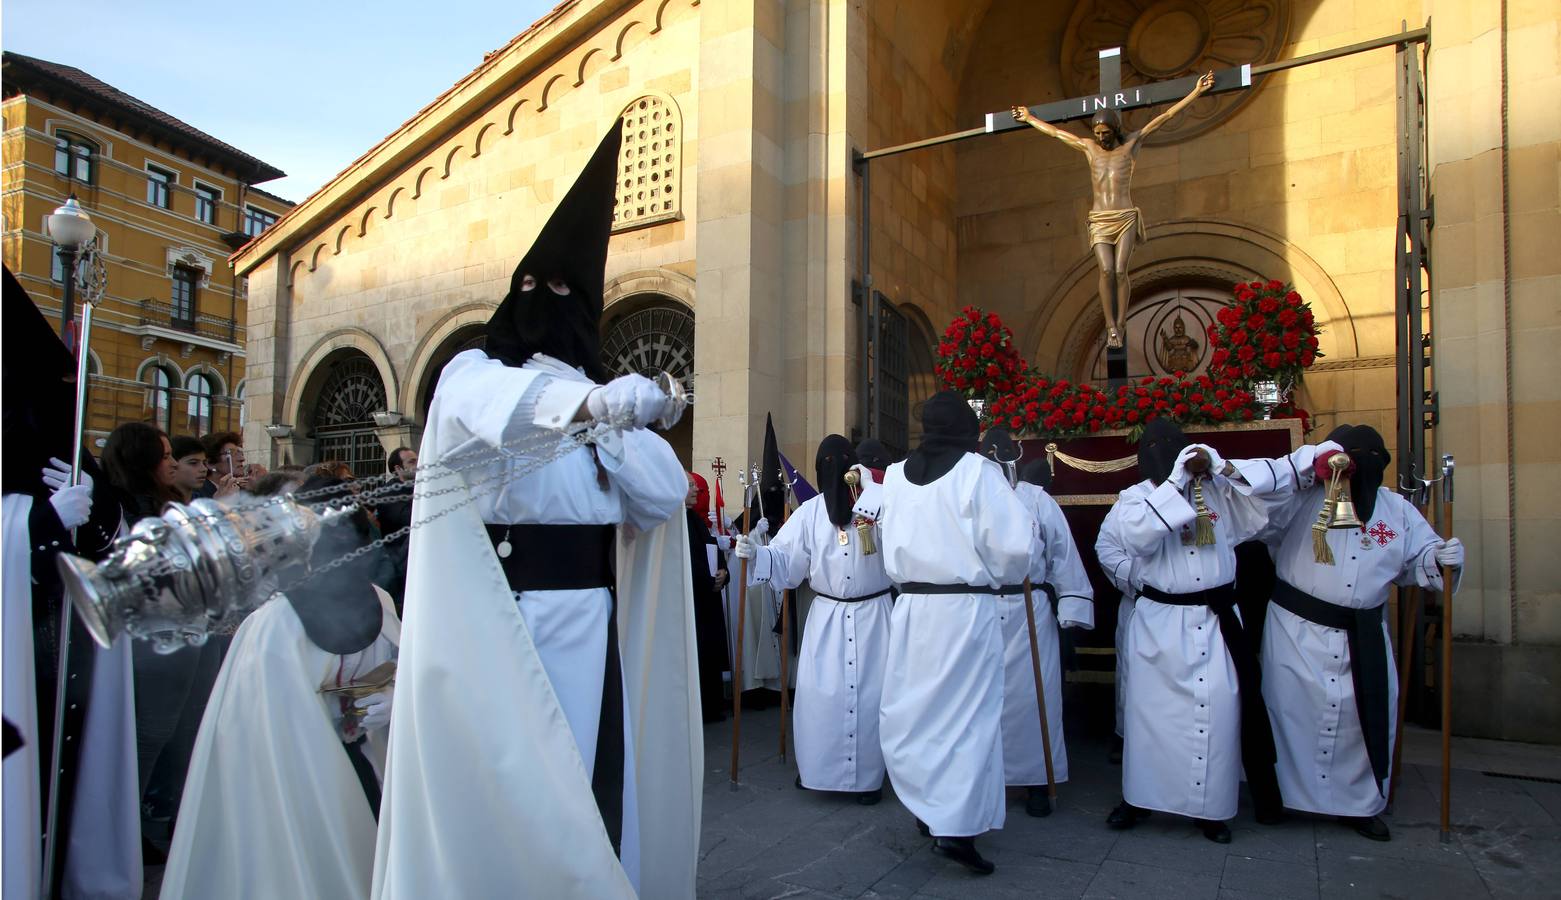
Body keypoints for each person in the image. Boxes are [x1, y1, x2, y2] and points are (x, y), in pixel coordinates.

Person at [374, 123, 700, 899]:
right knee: (511, 789)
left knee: (585, 783)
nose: (536, 300)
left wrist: (613, 425)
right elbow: (494, 413)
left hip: (590, 621)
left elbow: (662, 496)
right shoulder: (477, 371)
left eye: (556, 290)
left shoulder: (595, 397)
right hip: (503, 621)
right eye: (527, 284)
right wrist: (591, 405)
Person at [159, 475, 401, 899]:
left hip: (366, 765)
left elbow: (401, 670)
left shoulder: (379, 601)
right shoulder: (274, 627)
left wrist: (387, 700)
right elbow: (262, 731)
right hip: (290, 784)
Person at [2, 267, 140, 899]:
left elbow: (101, 512)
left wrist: (99, 513)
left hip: (58, 646)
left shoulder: (41, 417)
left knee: (61, 782)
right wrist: (34, 523)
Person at [1255, 424, 1462, 841]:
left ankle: (1358, 805)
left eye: (1368, 456)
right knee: (1290, 713)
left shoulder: (1398, 511)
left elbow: (1417, 559)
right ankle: (1282, 798)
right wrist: (1303, 470)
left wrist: (1441, 558)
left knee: (1358, 722)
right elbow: (1257, 510)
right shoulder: (1300, 500)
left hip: (1363, 634)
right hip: (1298, 633)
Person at [1095, 419, 1295, 843]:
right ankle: (1140, 799)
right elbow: (1132, 539)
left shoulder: (1218, 493)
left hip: (1217, 619)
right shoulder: (1135, 499)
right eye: (1156, 446)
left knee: (1216, 715)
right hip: (1162, 624)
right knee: (1153, 721)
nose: (1166, 452)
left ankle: (1210, 809)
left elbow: (1269, 498)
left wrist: (1220, 468)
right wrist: (1173, 484)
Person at [865, 392, 1038, 875]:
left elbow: (882, 537)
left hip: (913, 609)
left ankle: (929, 807)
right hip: (964, 610)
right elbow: (1013, 548)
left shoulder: (895, 475)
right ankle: (956, 828)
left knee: (919, 713)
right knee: (966, 718)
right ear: (967, 428)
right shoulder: (977, 472)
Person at [734, 435, 893, 804]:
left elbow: (906, 545)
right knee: (823, 698)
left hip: (875, 617)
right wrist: (757, 555)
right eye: (826, 463)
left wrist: (875, 498)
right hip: (829, 619)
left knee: (874, 696)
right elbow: (787, 561)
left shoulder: (877, 504)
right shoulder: (809, 513)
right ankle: (820, 772)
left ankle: (869, 778)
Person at [1011, 72, 1214, 348]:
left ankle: (1121, 322)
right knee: (1105, 271)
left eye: (1105, 133)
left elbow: (1164, 117)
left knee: (1120, 271)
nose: (1101, 138)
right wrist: (1029, 119)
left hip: (1125, 215)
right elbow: (1058, 133)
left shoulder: (1131, 145)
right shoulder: (1090, 148)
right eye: (1097, 134)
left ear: (1115, 130)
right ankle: (1111, 327)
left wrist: (1196, 92)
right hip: (1099, 218)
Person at [103, 422, 226, 856]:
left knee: (181, 730)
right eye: (166, 454)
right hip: (152, 640)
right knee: (148, 734)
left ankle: (159, 814)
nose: (172, 462)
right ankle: (125, 825)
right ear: (142, 461)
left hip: (190, 630)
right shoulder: (122, 509)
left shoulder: (171, 503)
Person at [983, 430, 1095, 819]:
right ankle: (985, 777)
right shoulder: (968, 500)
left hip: (1030, 608)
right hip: (979, 609)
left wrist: (1071, 608)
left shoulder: (1037, 500)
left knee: (1033, 696)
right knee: (984, 698)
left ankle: (1035, 779)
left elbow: (1062, 553)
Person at [684, 472, 731, 723]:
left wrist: (724, 572)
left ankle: (712, 705)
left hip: (708, 597)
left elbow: (712, 549)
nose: (696, 491)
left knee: (709, 652)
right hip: (694, 598)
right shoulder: (675, 522)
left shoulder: (696, 520)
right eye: (690, 486)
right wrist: (708, 579)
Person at [377, 447, 417, 605]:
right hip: (400, 563)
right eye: (412, 461)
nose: (418, 464)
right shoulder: (390, 493)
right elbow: (407, 518)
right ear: (398, 468)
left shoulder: (417, 488)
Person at [195, 431, 247, 499]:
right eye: (231, 453)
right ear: (210, 464)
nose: (242, 459)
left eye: (239, 453)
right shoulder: (198, 494)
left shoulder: (240, 491)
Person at [169, 435, 209, 502]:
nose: (204, 469)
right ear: (173, 463)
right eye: (193, 463)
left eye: (204, 463)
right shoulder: (158, 504)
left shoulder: (202, 501)